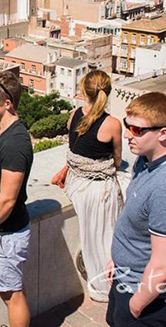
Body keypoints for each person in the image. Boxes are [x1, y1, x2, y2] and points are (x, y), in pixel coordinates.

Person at [106, 93, 166, 326]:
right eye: (127, 126)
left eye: (136, 130)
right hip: (127, 277)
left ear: (163, 134)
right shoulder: (146, 159)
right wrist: (117, 259)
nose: (127, 134)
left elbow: (163, 267)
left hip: (149, 293)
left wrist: (135, 307)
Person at [51, 70, 123, 302]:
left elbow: (74, 151)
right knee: (108, 236)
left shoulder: (74, 116)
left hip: (76, 184)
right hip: (96, 189)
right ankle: (109, 284)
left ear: (84, 92)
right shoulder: (112, 124)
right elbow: (118, 160)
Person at [0, 71, 32, 327]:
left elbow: (9, 199)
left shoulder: (15, 142)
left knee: (12, 295)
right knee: (7, 291)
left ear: (7, 103)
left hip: (5, 234)